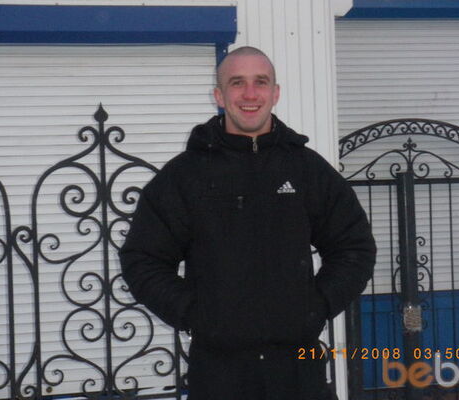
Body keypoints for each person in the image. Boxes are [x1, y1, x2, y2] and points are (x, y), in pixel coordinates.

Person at [119, 46, 376, 400]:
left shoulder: (306, 169)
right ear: (219, 95)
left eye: (261, 82)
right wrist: (196, 315)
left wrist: (316, 307)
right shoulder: (186, 176)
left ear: (276, 93)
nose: (250, 94)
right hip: (218, 374)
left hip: (299, 371)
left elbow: (354, 247)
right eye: (237, 83)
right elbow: (142, 259)